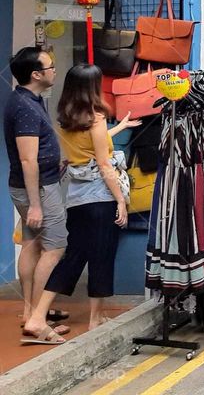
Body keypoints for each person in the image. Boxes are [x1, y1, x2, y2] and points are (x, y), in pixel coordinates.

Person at [22, 64, 140, 342]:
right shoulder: (96, 118)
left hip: (77, 199)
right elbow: (103, 163)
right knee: (101, 256)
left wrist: (120, 127)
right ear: (93, 87)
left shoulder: (68, 118)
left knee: (74, 256)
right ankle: (90, 319)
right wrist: (120, 201)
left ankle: (41, 316)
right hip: (100, 197)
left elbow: (90, 146)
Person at [4, 47, 68, 345]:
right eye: (50, 66)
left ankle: (31, 310)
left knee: (31, 243)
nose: (55, 70)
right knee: (55, 248)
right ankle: (37, 320)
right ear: (36, 74)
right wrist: (36, 204)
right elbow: (28, 159)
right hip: (39, 188)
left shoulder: (29, 99)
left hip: (38, 184)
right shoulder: (26, 108)